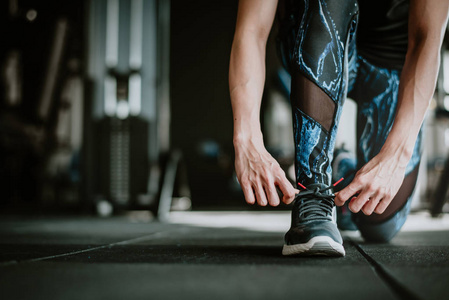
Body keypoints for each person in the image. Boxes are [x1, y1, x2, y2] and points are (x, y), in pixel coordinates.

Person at [229, 0, 449, 256]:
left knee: (380, 223)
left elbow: (426, 39)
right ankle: (314, 192)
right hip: (314, 34)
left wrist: (395, 158)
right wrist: (246, 140)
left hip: (392, 64)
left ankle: (342, 170)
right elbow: (251, 30)